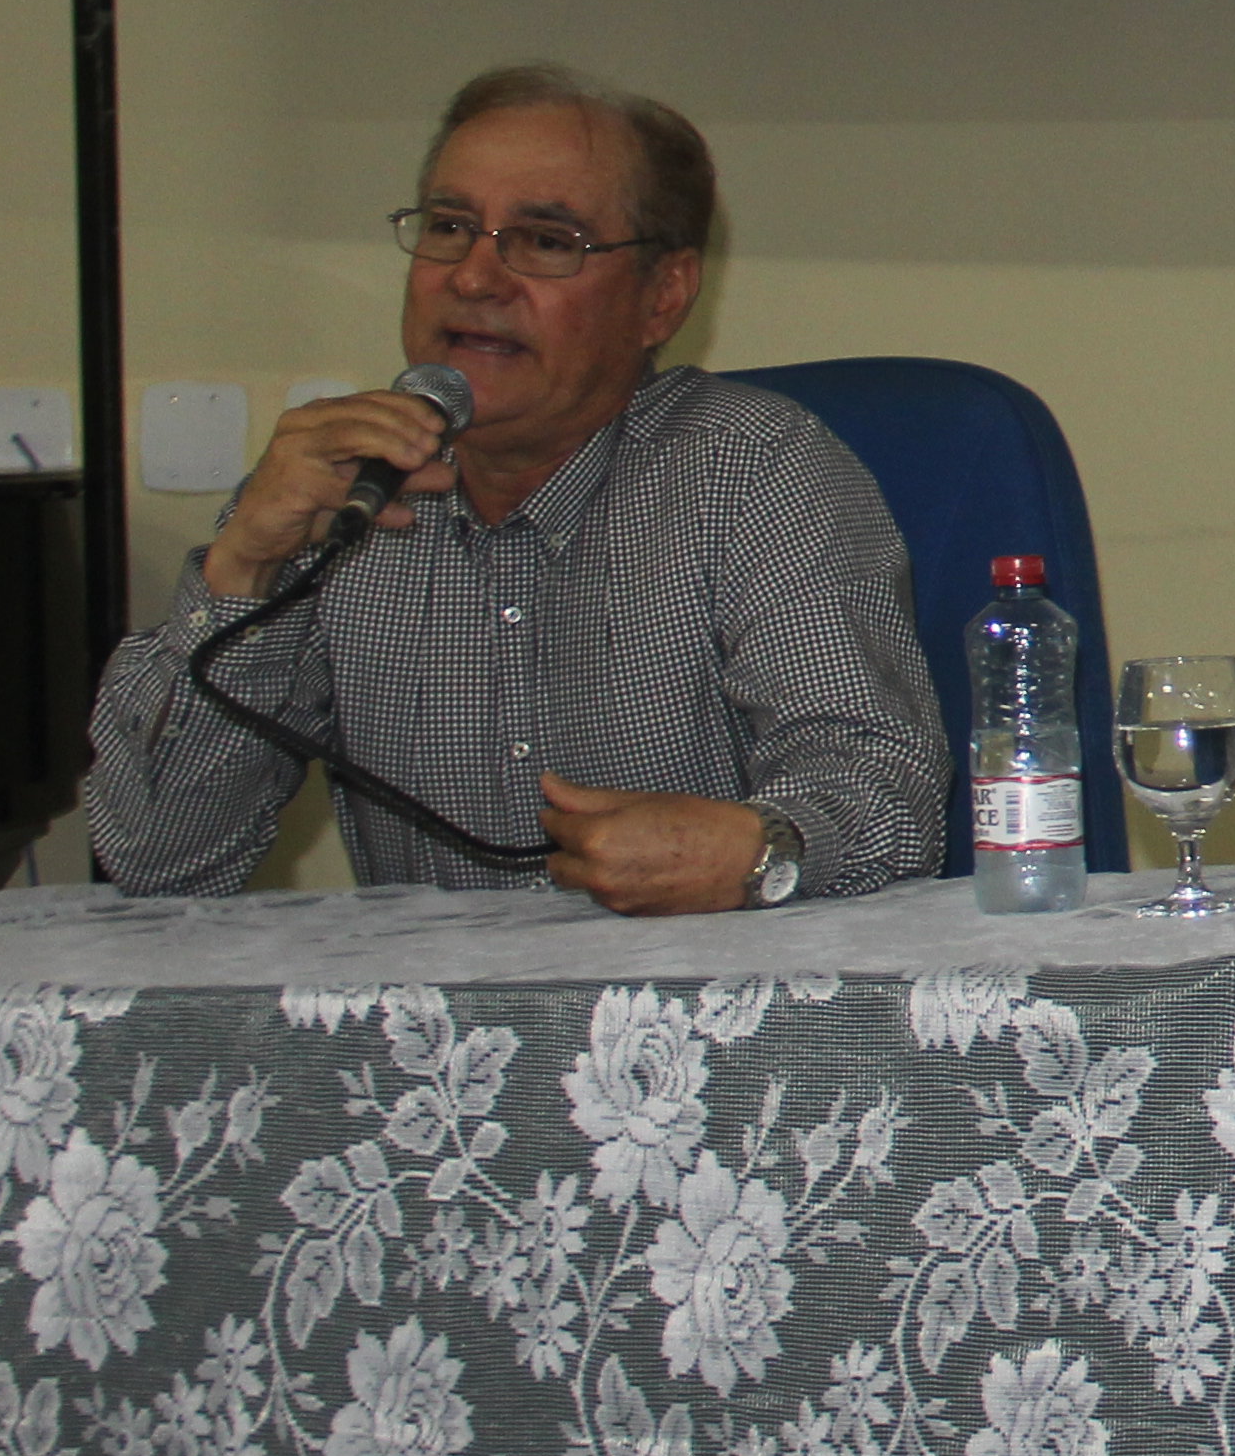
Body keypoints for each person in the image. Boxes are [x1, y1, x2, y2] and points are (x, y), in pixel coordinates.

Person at [82, 64, 942, 908]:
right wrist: (241, 569)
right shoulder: (341, 499)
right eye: (451, 227)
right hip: (425, 1037)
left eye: (543, 242)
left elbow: (883, 795)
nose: (474, 278)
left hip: (703, 1024)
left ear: (663, 297)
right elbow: (160, 864)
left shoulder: (750, 470)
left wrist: (762, 850)